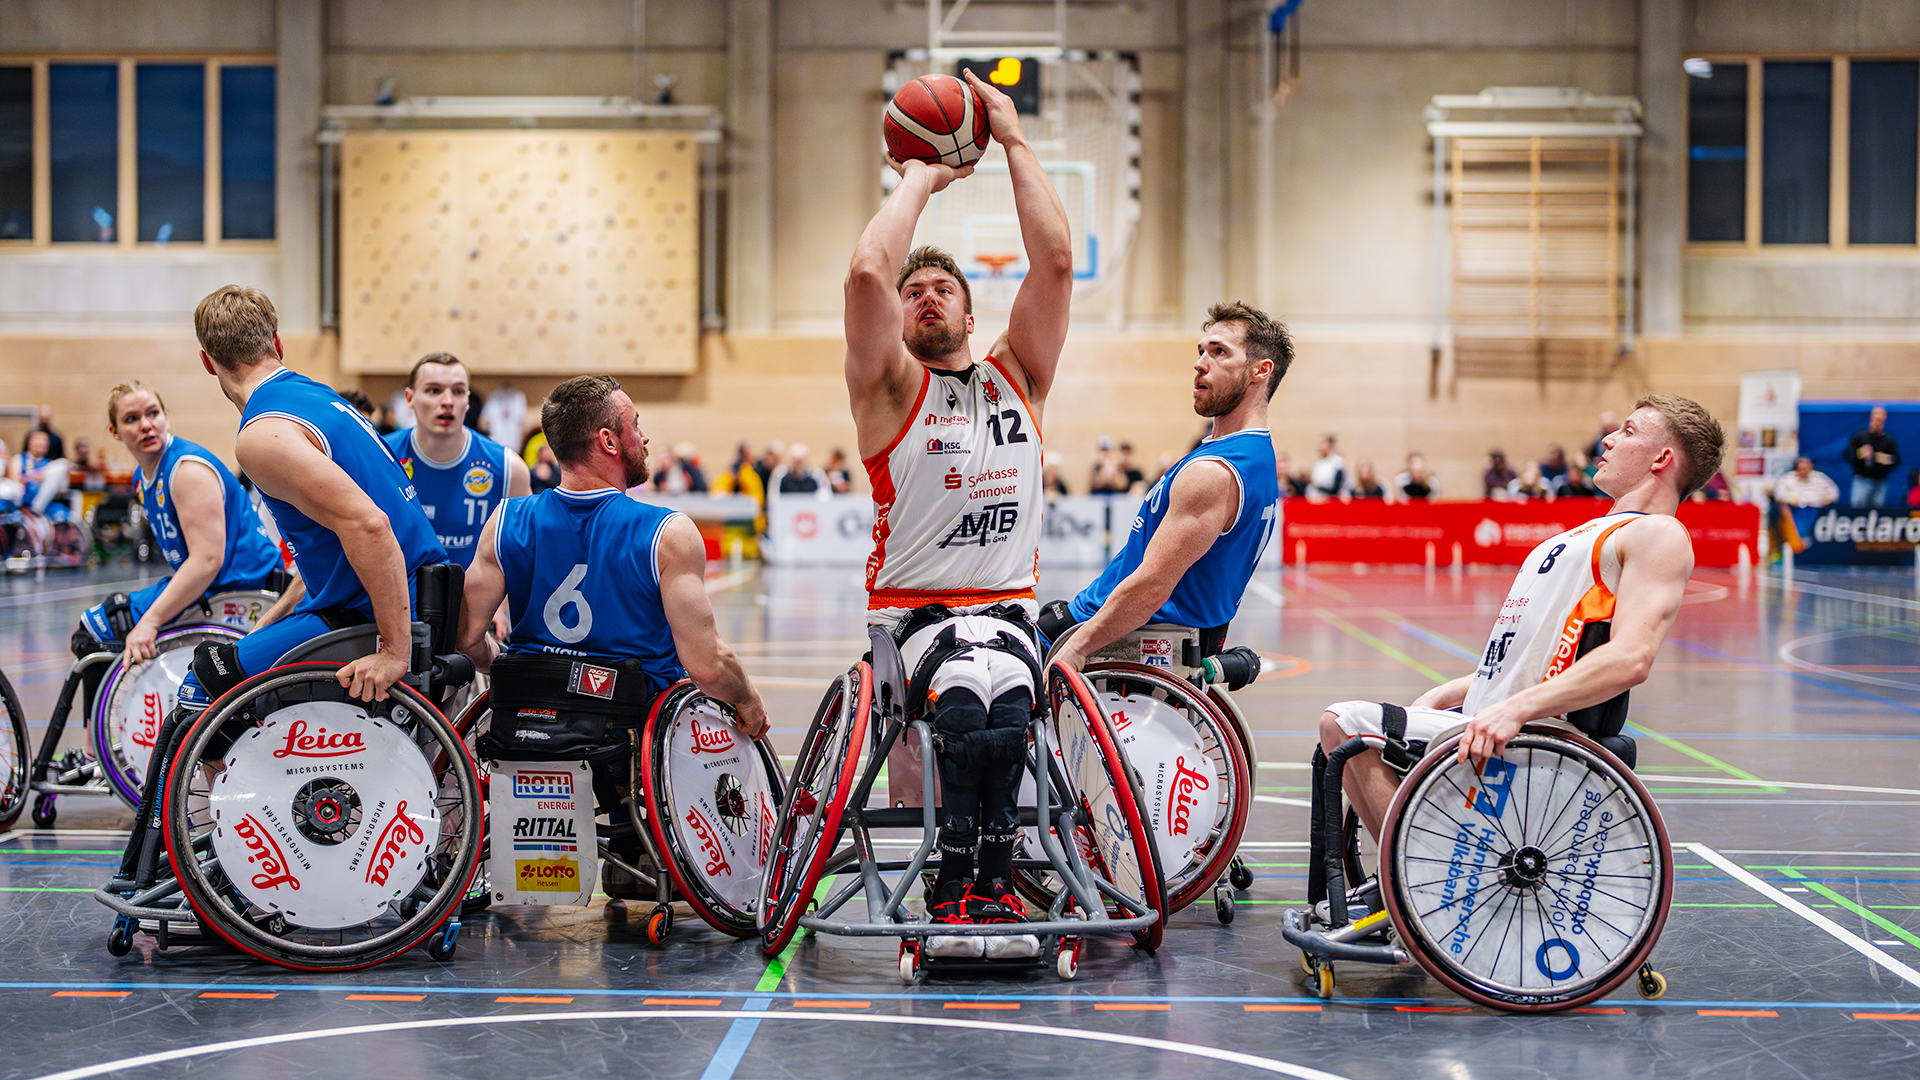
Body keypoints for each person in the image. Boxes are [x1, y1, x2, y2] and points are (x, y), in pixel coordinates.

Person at [844, 69, 1070, 958]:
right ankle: (955, 883)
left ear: (974, 316)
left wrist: (1012, 139)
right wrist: (919, 174)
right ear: (900, 320)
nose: (926, 295)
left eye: (943, 288)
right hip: (914, 620)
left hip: (1006, 612)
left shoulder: (1021, 377)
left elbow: (1054, 264)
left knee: (1003, 693)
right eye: (915, 292)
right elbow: (868, 269)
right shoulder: (888, 390)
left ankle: (991, 881)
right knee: (973, 699)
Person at [1320, 394, 1725, 848]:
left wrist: (1514, 710)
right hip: (1487, 716)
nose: (1608, 440)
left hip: (1535, 733)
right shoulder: (1594, 531)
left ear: (1662, 459)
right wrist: (1447, 693)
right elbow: (1526, 659)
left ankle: (1409, 876)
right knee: (1343, 738)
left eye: (1628, 431)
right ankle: (1410, 872)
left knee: (1344, 723)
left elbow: (1631, 657)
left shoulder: (1658, 533)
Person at [457, 377, 768, 893]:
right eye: (635, 425)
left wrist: (506, 667)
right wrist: (748, 699)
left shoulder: (505, 520)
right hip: (629, 727)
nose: (643, 437)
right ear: (608, 441)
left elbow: (468, 639)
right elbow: (707, 666)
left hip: (527, 714)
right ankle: (644, 844)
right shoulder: (666, 531)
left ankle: (613, 847)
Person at [168, 285, 447, 721]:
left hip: (374, 613)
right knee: (244, 657)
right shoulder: (320, 397)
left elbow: (369, 526)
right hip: (421, 592)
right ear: (277, 343)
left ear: (207, 361)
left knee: (201, 685)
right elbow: (330, 549)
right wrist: (271, 620)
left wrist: (395, 651)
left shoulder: (262, 434)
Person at [1050, 302, 1286, 671]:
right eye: (1201, 350)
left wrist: (1076, 648)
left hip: (1118, 632)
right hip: (1119, 614)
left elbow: (1152, 588)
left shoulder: (1215, 472)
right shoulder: (1255, 455)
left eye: (1219, 352)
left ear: (1261, 370)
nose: (1200, 363)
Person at [73, 382, 284, 669]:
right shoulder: (142, 478)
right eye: (132, 419)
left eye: (153, 413)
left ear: (166, 417)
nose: (146, 425)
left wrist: (150, 621)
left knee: (105, 625)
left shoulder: (187, 471)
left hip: (243, 588)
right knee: (97, 624)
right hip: (214, 587)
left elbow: (207, 561)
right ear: (115, 431)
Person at [1847, 406, 1900, 507]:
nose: (1878, 423)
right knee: (1858, 509)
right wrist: (1860, 453)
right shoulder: (1860, 436)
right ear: (1871, 418)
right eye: (1876, 419)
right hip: (1861, 480)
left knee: (1877, 510)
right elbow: (1848, 454)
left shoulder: (1888, 440)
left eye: (1881, 420)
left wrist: (1885, 459)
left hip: (1880, 481)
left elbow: (1896, 460)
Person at [1772, 455, 1838, 507]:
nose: (1803, 472)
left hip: (1817, 510)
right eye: (1801, 469)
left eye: (1805, 468)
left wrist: (1828, 499)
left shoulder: (1820, 478)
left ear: (1811, 468)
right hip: (1793, 510)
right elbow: (1778, 495)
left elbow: (1834, 493)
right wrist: (1791, 501)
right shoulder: (1786, 479)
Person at [1308, 434, 1345, 499]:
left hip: (1331, 498)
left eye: (1322, 443)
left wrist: (1320, 489)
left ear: (1329, 445)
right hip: (1317, 498)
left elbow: (1337, 486)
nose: (1319, 446)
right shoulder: (1317, 463)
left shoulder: (1337, 462)